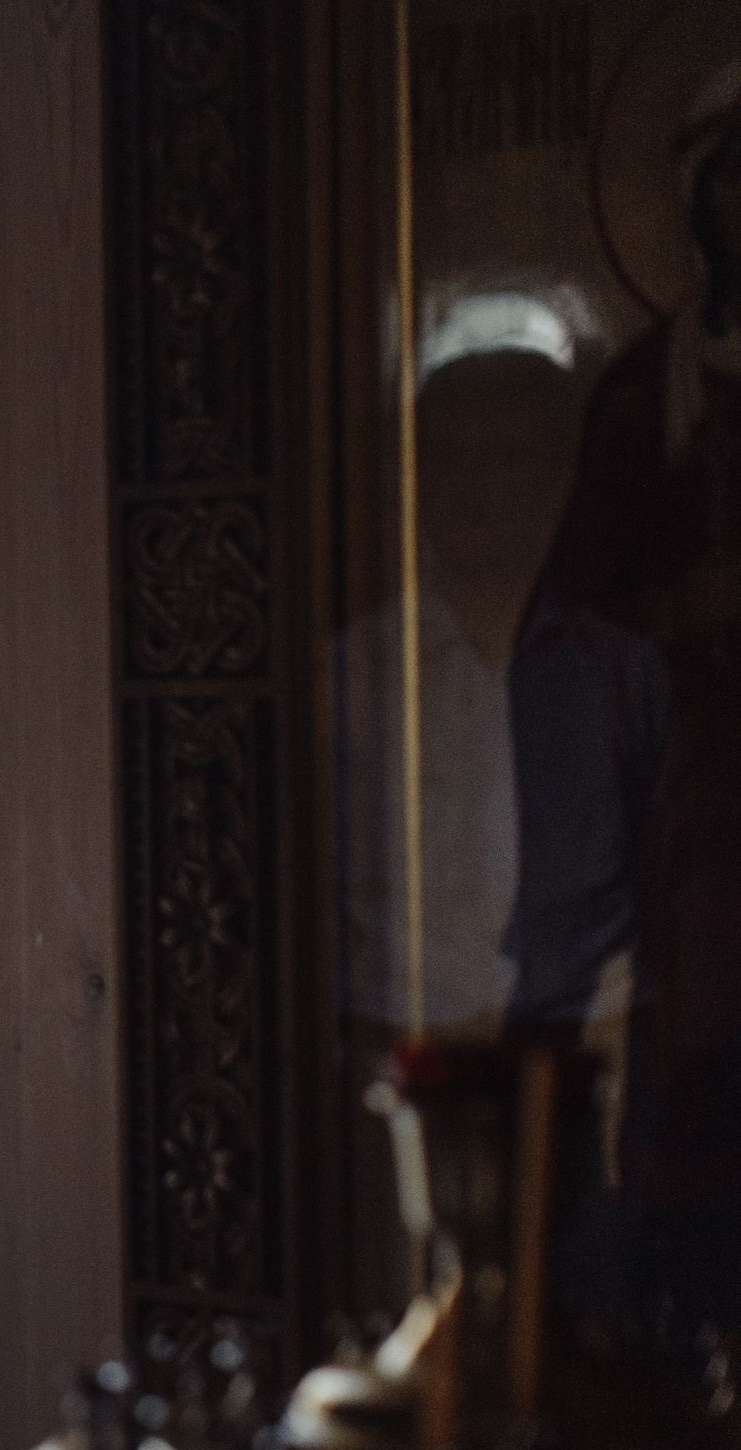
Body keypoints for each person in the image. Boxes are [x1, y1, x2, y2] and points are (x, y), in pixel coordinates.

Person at [507, 66, 741, 1335]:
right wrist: (674, 621)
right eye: (738, 174)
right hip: (700, 814)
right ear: (697, 201)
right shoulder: (651, 394)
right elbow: (563, 631)